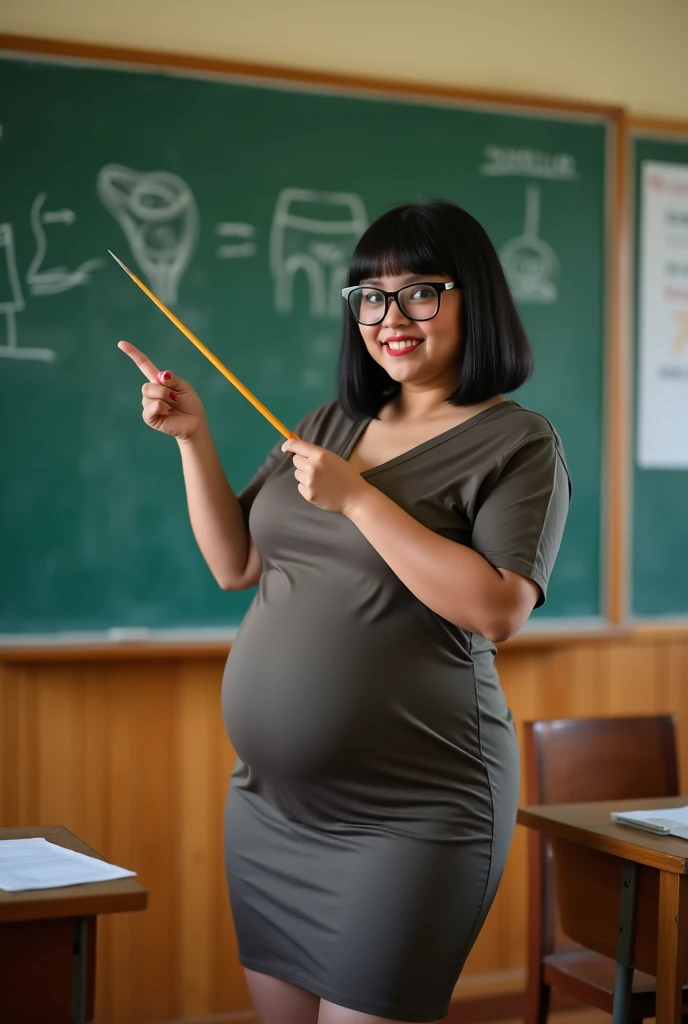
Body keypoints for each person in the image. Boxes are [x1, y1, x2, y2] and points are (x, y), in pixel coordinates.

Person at [120, 200, 571, 1024]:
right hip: (270, 808)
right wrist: (193, 439)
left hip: (416, 815)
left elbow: (499, 609)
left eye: (419, 293)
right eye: (369, 295)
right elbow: (238, 564)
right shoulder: (333, 424)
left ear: (475, 297)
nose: (390, 317)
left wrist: (360, 503)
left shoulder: (519, 443)